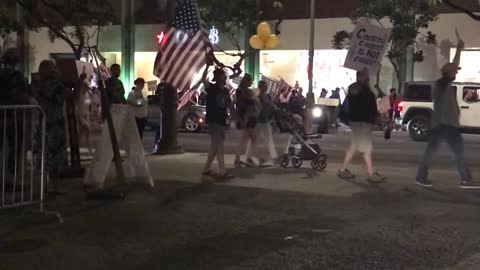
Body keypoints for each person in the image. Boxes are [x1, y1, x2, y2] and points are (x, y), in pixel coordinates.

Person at [416, 34, 479, 189]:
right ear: (448, 73)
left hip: (445, 125)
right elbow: (453, 65)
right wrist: (458, 49)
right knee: (453, 153)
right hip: (445, 125)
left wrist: (459, 49)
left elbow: (453, 67)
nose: (456, 72)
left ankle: (421, 176)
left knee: (435, 153)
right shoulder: (441, 85)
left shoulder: (445, 84)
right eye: (454, 71)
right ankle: (465, 179)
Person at [338, 68, 385, 183]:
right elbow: (371, 108)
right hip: (363, 123)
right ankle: (370, 174)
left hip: (355, 122)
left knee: (354, 146)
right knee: (367, 150)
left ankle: (343, 169)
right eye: (366, 75)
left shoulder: (353, 89)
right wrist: (377, 119)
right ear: (362, 76)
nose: (368, 77)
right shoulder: (366, 91)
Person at [36, 60, 68, 194]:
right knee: (57, 156)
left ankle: (46, 185)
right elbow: (69, 97)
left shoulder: (39, 85)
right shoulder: (56, 86)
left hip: (44, 123)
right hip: (56, 124)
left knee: (45, 155)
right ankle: (54, 185)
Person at [0, 48, 28, 176]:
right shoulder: (19, 76)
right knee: (14, 147)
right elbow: (22, 97)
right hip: (14, 116)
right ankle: (11, 176)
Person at [202, 69, 234, 179]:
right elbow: (203, 80)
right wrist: (207, 67)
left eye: (225, 77)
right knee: (219, 145)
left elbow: (228, 105)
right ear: (218, 78)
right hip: (213, 120)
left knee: (215, 146)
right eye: (223, 77)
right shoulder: (211, 88)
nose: (225, 79)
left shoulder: (225, 90)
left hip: (221, 120)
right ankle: (222, 170)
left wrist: (231, 117)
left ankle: (206, 168)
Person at [245, 81, 278, 166]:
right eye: (264, 86)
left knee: (268, 139)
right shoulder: (258, 98)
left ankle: (273, 157)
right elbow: (259, 109)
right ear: (260, 87)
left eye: (266, 86)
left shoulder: (268, 97)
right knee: (254, 139)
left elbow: (272, 106)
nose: (266, 88)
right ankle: (249, 156)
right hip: (258, 121)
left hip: (265, 120)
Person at [234, 74, 260, 166]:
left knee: (246, 138)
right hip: (246, 116)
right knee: (250, 138)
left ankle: (241, 158)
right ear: (246, 81)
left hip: (250, 116)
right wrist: (254, 99)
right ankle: (246, 158)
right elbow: (241, 104)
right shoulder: (241, 91)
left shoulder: (246, 91)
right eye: (250, 80)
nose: (251, 82)